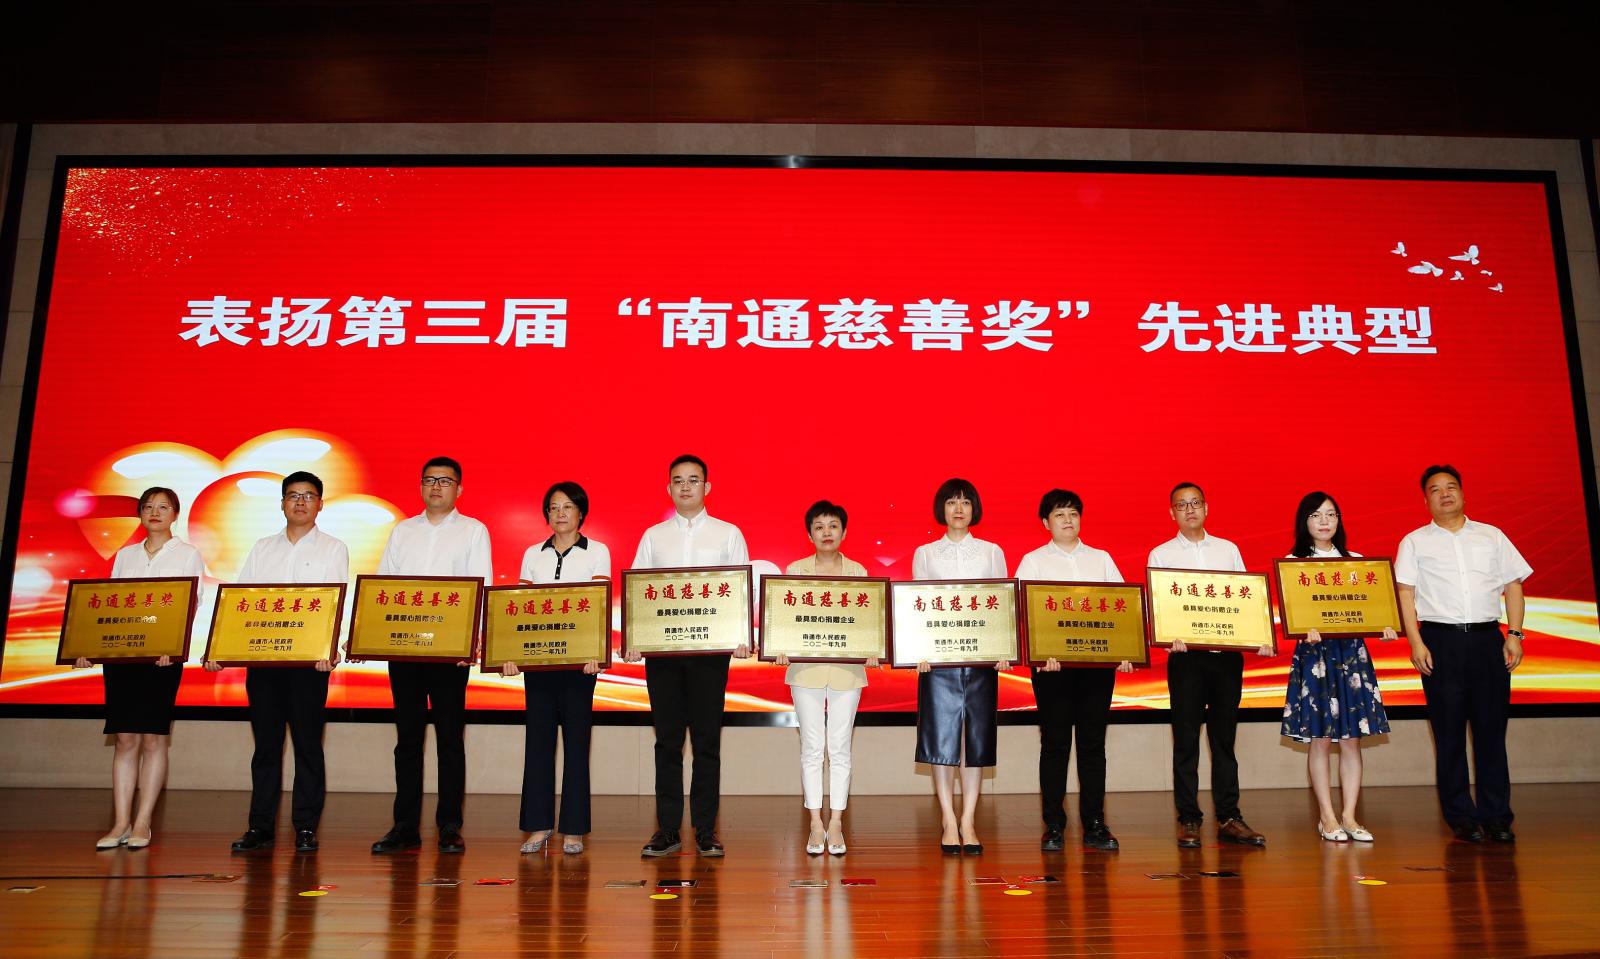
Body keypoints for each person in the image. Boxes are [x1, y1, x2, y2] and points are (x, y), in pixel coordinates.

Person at [213, 471, 350, 854]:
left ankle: (305, 826)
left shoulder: (333, 548)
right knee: (266, 748)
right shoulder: (262, 548)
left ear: (320, 504)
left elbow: (337, 601)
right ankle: (260, 827)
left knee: (308, 746)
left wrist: (330, 648)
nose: (300, 502)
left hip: (309, 664)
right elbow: (240, 601)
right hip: (265, 662)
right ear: (282, 503)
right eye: (293, 495)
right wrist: (221, 647)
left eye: (308, 496)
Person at [1396, 465, 1530, 843]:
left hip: (1488, 641)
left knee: (1491, 733)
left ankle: (1497, 816)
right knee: (1449, 734)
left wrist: (1514, 634)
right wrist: (1415, 642)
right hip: (1440, 642)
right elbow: (1405, 593)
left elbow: (1513, 586)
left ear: (1463, 493)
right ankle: (1461, 816)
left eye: (1451, 487)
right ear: (1425, 500)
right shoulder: (1415, 542)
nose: (1445, 494)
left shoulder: (1492, 536)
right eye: (1435, 489)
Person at [366, 456, 492, 855]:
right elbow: (384, 587)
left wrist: (473, 640)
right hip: (404, 648)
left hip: (450, 653)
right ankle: (404, 826)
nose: (436, 487)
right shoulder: (402, 531)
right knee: (407, 739)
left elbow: (482, 586)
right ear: (421, 486)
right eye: (429, 480)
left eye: (445, 481)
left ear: (459, 489)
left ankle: (449, 826)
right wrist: (371, 635)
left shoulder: (473, 531)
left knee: (450, 739)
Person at [628, 454, 750, 858]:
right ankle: (667, 830)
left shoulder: (728, 533)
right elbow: (638, 591)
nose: (685, 486)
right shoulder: (653, 537)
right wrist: (634, 638)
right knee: (666, 742)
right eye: (678, 480)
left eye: (693, 480)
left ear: (707, 487)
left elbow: (740, 590)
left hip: (709, 654)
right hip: (663, 654)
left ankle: (705, 830)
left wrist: (741, 636)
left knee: (706, 742)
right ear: (668, 488)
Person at [77, 486, 206, 850]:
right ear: (140, 513)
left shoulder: (188, 554)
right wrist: (89, 648)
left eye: (163, 507)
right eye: (148, 506)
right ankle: (120, 822)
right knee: (125, 739)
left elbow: (190, 604)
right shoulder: (125, 555)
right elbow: (110, 605)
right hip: (124, 658)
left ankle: (143, 821)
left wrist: (173, 647)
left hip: (162, 659)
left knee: (152, 739)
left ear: (175, 514)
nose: (155, 512)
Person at [1147, 481, 1272, 849]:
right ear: (1171, 513)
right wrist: (1168, 635)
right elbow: (1157, 607)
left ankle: (1229, 816)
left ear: (1207, 508)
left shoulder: (1228, 550)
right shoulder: (1162, 554)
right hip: (1186, 658)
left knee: (1224, 740)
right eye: (1181, 505)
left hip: (1226, 658)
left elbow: (1246, 602)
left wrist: (1258, 636)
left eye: (1195, 503)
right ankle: (1189, 818)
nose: (1190, 510)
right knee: (1186, 740)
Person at [1015, 488, 1131, 852]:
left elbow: (1122, 609)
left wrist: (1125, 651)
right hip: (1052, 670)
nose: (1068, 520)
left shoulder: (1101, 559)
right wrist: (1039, 654)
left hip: (1096, 667)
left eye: (1073, 513)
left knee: (1093, 746)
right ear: (1045, 522)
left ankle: (1095, 823)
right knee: (1055, 745)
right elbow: (1022, 613)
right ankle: (1054, 825)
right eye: (1059, 514)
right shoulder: (1033, 561)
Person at [502, 481, 611, 856]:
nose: (560, 513)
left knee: (577, 745)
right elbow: (519, 608)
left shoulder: (597, 551)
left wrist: (597, 652)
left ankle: (574, 829)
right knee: (538, 744)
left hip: (581, 665)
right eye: (553, 507)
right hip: (539, 663)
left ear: (581, 512)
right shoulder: (533, 554)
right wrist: (511, 654)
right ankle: (539, 825)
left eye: (567, 506)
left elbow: (597, 606)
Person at [1279, 491, 1393, 843]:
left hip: (1350, 656)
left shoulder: (1355, 562)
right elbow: (1293, 614)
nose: (1324, 521)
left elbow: (1372, 609)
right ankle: (1327, 817)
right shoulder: (1294, 564)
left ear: (1339, 520)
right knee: (1321, 739)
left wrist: (1385, 625)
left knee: (1351, 741)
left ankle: (1350, 816)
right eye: (1316, 515)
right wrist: (1305, 628)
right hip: (1316, 657)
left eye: (1331, 514)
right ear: (1305, 522)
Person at [773, 500, 878, 856]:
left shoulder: (859, 572)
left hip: (848, 671)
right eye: (819, 527)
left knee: (840, 748)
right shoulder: (795, 570)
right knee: (812, 748)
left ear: (844, 532)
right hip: (806, 671)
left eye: (833, 526)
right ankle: (815, 822)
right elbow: (784, 620)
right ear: (809, 534)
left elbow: (868, 623)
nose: (826, 532)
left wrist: (873, 648)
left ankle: (836, 823)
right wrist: (780, 648)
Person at [911, 478, 1011, 856]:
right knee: (943, 742)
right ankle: (948, 818)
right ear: (942, 508)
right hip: (938, 662)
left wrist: (1004, 648)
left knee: (975, 740)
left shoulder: (991, 551)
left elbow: (1002, 603)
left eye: (966, 502)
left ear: (974, 509)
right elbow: (918, 606)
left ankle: (968, 818)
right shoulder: (925, 553)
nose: (959, 509)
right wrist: (919, 651)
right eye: (952, 502)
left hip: (980, 659)